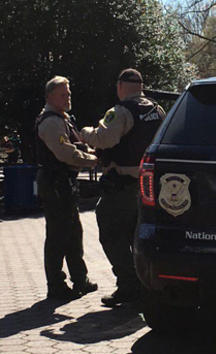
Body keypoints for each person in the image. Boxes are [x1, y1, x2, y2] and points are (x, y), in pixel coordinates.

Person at [81, 68, 166, 307]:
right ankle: (146, 284)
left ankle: (129, 285)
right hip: (149, 187)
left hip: (122, 186)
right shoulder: (157, 110)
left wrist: (86, 133)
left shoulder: (119, 112)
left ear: (120, 87)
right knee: (138, 236)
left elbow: (104, 139)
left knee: (111, 232)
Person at [36, 76, 99, 300]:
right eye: (63, 94)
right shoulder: (51, 121)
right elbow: (65, 153)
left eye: (69, 93)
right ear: (50, 96)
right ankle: (56, 285)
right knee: (57, 235)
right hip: (55, 183)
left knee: (73, 233)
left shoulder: (63, 119)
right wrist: (93, 159)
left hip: (64, 183)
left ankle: (79, 280)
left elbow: (74, 146)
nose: (68, 97)